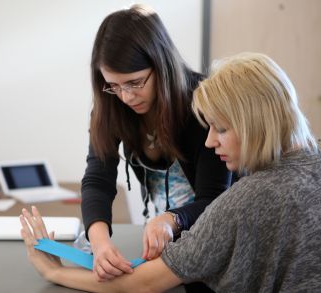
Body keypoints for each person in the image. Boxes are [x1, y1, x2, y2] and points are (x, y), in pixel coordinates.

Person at [20, 52, 321, 292]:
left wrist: (55, 270)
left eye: (221, 128)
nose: (210, 141)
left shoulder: (248, 199)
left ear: (255, 123)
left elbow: (143, 283)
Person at [81, 4, 231, 287]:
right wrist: (99, 242)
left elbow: (216, 200)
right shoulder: (112, 107)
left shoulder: (204, 104)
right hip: (164, 250)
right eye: (113, 85)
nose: (125, 96)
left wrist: (169, 219)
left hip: (214, 246)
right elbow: (97, 180)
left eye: (135, 82)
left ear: (161, 64)